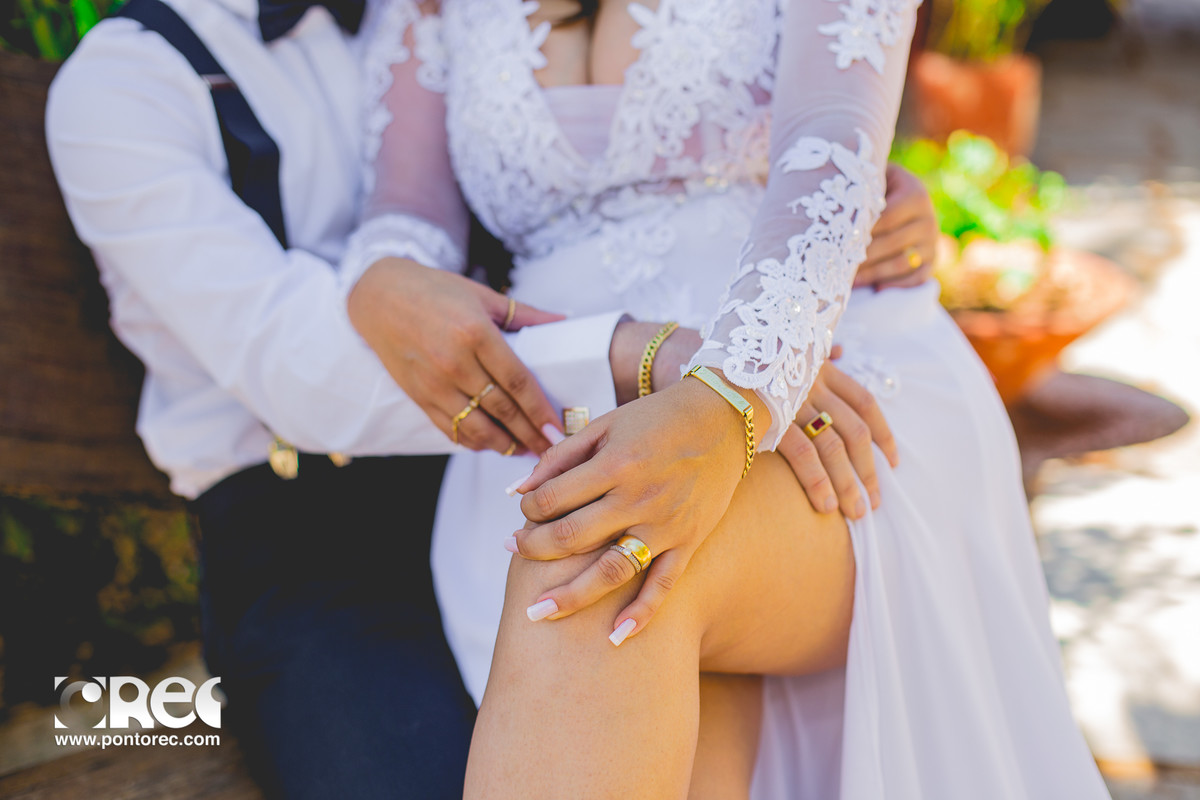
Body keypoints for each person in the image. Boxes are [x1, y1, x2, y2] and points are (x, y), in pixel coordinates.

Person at [42, 0, 926, 796]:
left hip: (565, 443)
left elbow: (811, 137)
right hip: (316, 530)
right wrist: (390, 282)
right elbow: (300, 370)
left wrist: (836, 206)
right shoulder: (125, 86)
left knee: (612, 570)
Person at [354, 0, 1116, 797]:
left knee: (603, 553)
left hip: (824, 385)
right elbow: (405, 224)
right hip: (564, 408)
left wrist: (730, 400)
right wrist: (383, 278)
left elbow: (830, 154)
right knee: (615, 586)